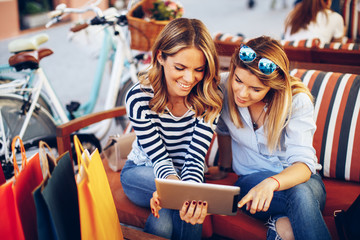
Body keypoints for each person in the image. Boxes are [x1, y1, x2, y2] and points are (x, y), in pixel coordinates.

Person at [208, 36, 331, 240]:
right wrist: (223, 167)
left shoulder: (296, 100)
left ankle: (281, 226)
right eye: (238, 80)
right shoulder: (222, 86)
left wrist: (272, 183)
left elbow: (303, 164)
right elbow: (222, 129)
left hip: (303, 183)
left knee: (300, 194)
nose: (242, 93)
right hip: (251, 180)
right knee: (297, 203)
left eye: (255, 89)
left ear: (272, 86)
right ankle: (281, 225)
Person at [120, 18, 222, 240]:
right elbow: (159, 158)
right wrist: (178, 188)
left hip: (186, 171)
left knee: (179, 207)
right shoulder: (138, 97)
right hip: (141, 170)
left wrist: (187, 189)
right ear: (160, 56)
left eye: (198, 70)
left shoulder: (210, 98)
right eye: (180, 67)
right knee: (185, 197)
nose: (189, 78)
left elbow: (195, 158)